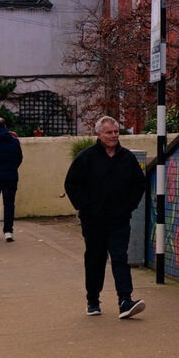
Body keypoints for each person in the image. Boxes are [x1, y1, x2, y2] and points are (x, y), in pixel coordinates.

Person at [64, 115, 147, 318]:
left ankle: (125, 301)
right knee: (95, 259)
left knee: (120, 257)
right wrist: (86, 207)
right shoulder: (86, 158)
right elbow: (71, 184)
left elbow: (139, 184)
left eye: (116, 132)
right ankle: (93, 300)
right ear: (99, 134)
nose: (114, 136)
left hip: (119, 219)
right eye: (109, 132)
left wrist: (129, 206)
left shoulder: (127, 158)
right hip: (93, 221)